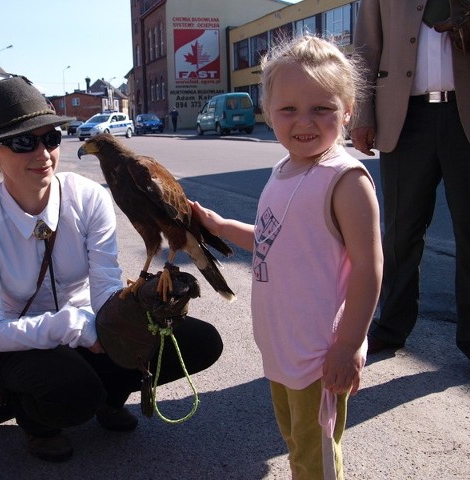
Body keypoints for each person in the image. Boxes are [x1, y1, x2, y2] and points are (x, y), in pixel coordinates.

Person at [0, 76, 223, 462]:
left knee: (200, 341)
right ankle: (38, 421)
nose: (43, 154)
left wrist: (127, 314)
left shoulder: (89, 198)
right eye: (23, 142)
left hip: (90, 329)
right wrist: (70, 327)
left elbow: (104, 284)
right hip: (20, 341)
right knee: (72, 388)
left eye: (50, 138)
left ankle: (108, 396)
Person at [191, 36, 383, 479]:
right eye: (289, 109)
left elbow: (370, 268)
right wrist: (221, 228)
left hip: (319, 352)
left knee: (314, 459)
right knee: (297, 442)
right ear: (267, 111)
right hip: (281, 345)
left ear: (348, 110)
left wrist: (349, 345)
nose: (305, 122)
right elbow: (274, 240)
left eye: (322, 108)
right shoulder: (284, 170)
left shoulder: (346, 180)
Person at [351, 0, 470, 359]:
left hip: (464, 117)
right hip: (405, 119)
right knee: (401, 231)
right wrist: (362, 114)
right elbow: (366, 50)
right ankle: (392, 327)